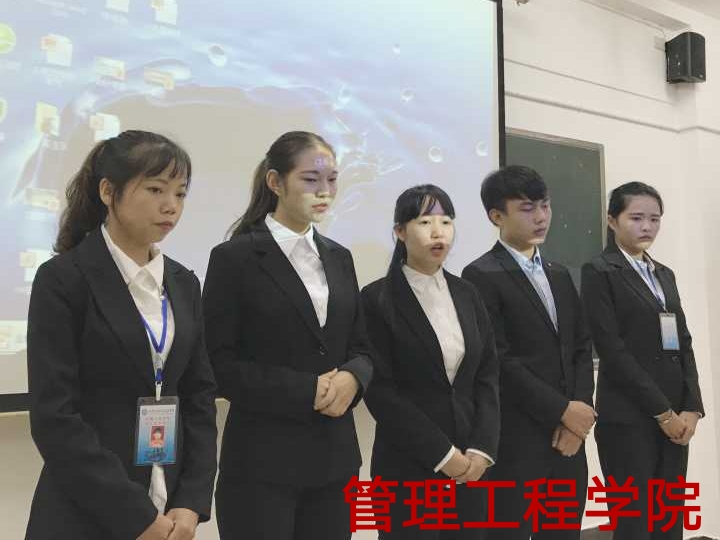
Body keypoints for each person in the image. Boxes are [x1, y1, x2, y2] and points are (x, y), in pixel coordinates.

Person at [26, 130, 218, 540]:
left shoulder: (184, 283)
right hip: (84, 514)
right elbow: (55, 417)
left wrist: (191, 501)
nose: (171, 206)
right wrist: (136, 517)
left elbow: (199, 398)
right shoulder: (64, 279)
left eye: (180, 194)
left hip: (170, 513)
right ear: (108, 192)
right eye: (155, 189)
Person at [202, 131, 373, 540]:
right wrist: (305, 390)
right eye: (310, 180)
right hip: (263, 465)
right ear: (275, 182)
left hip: (336, 463)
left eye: (332, 179)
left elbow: (362, 347)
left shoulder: (340, 257)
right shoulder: (235, 257)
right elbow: (218, 363)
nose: (324, 191)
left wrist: (354, 377)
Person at [461, 165, 594, 539]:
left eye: (545, 205)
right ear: (496, 216)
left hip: (570, 441)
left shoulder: (559, 273)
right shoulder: (480, 274)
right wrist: (562, 410)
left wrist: (579, 415)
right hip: (517, 439)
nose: (541, 216)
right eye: (527, 208)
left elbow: (581, 347)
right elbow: (498, 360)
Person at [361, 184, 500, 539]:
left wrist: (482, 449)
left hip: (472, 467)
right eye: (425, 222)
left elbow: (487, 374)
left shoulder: (467, 293)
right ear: (399, 231)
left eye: (446, 221)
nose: (439, 232)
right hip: (407, 466)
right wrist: (444, 455)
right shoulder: (377, 298)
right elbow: (381, 391)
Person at [581, 181, 703, 539]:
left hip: (676, 420)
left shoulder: (664, 274)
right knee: (634, 525)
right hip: (629, 417)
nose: (647, 227)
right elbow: (611, 349)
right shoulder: (599, 271)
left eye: (654, 219)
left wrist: (691, 408)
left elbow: (683, 342)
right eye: (636, 218)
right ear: (612, 220)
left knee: (669, 523)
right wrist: (662, 412)